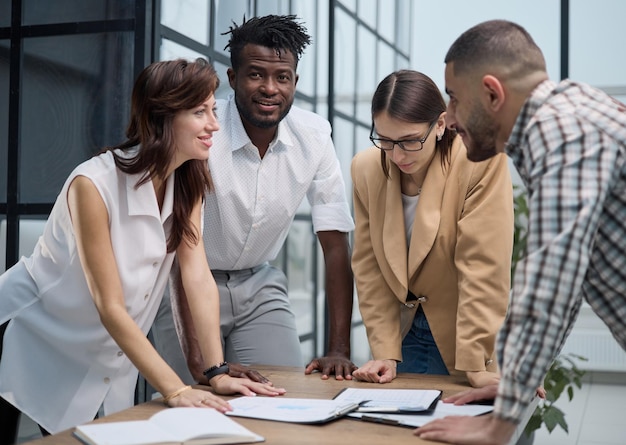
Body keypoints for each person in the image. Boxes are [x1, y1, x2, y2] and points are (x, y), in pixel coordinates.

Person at [0, 58, 283, 436]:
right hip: (25, 334)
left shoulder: (189, 182)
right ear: (162, 117)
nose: (214, 124)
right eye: (200, 112)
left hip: (97, 348)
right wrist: (176, 388)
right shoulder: (93, 184)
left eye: (213, 110)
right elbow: (109, 304)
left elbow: (197, 276)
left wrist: (216, 371)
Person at [415, 19, 626, 445]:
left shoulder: (561, 130)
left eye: (454, 99)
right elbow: (573, 276)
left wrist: (500, 423)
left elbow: (549, 278)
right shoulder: (571, 113)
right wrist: (517, 383)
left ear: (493, 93)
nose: (450, 118)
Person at [159, 14, 357, 384]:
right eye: (255, 74)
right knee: (193, 403)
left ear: (294, 81)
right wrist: (205, 367)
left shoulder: (314, 137)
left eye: (282, 77)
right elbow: (182, 251)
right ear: (232, 78)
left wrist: (339, 349)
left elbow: (335, 244)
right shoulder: (203, 130)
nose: (270, 88)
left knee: (285, 395)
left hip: (259, 284)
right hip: (186, 281)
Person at [350, 70, 513, 388]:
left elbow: (482, 266)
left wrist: (478, 365)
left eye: (410, 141)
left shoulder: (481, 160)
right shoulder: (366, 168)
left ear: (440, 125)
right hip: (405, 332)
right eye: (384, 139)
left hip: (470, 332)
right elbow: (369, 267)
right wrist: (385, 351)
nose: (397, 155)